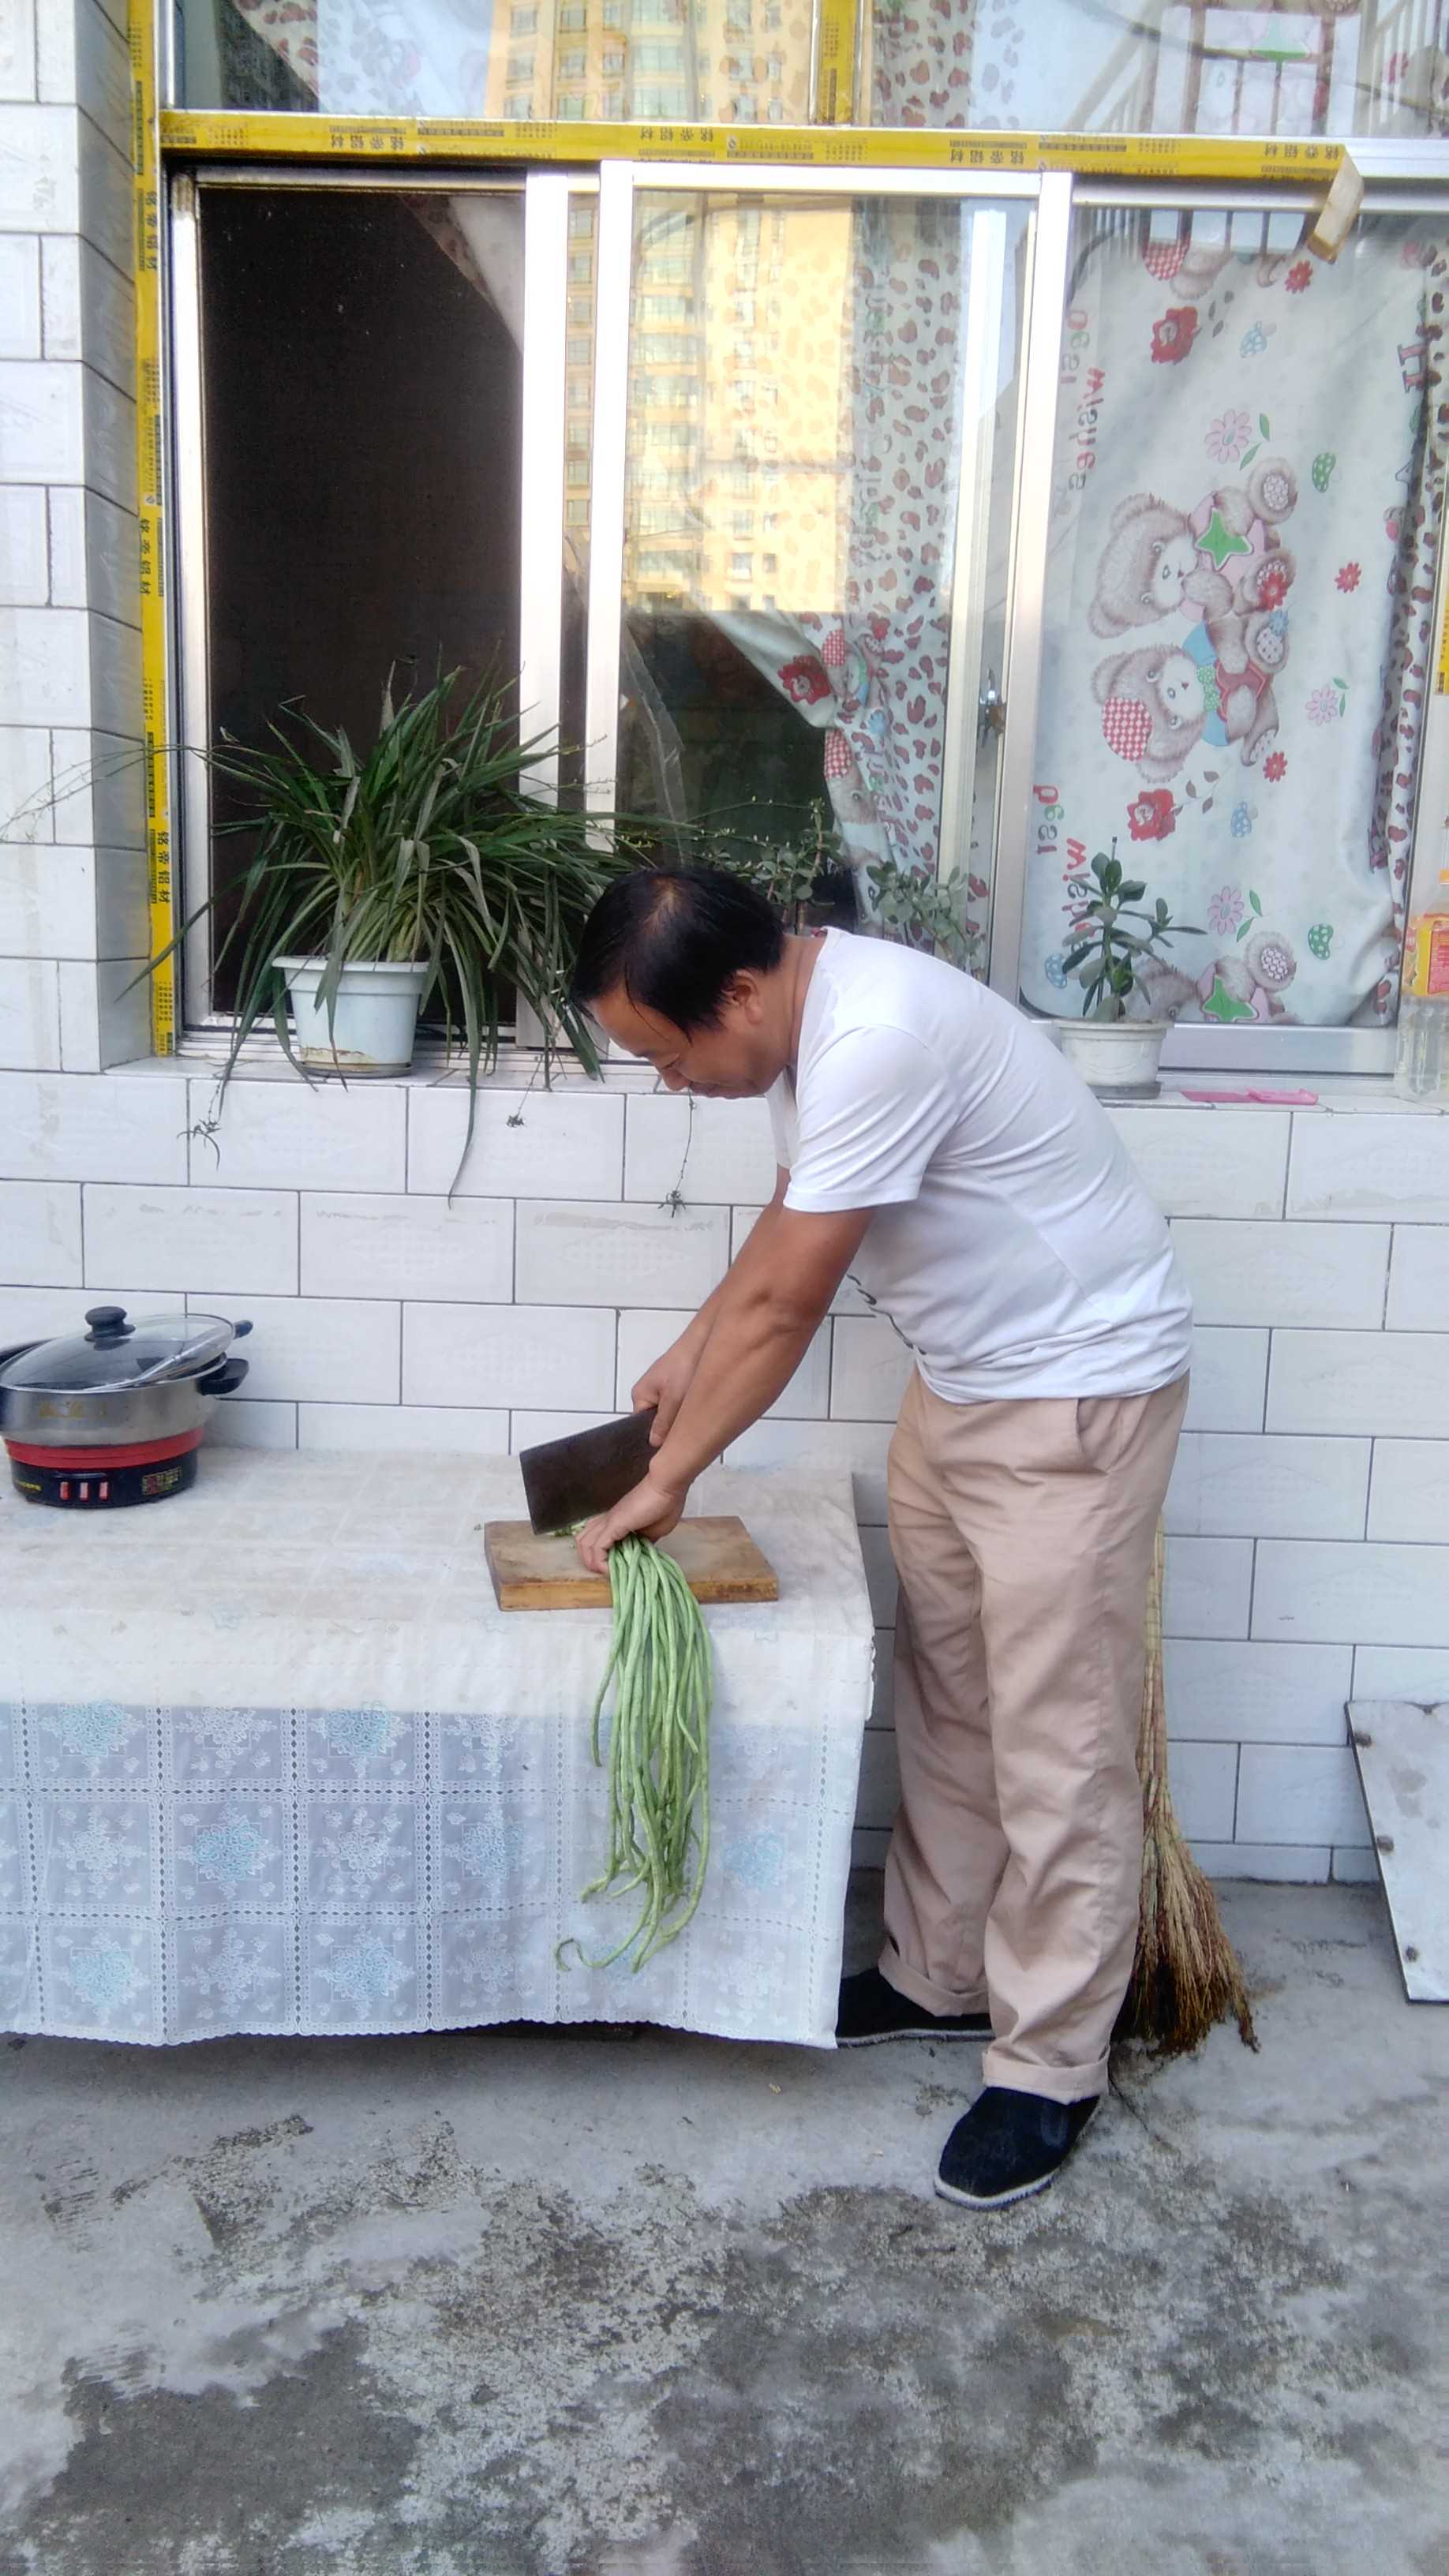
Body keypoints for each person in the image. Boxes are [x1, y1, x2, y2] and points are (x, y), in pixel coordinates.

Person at [569, 867, 1192, 2209]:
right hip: (966, 1384)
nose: (670, 1086)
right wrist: (689, 1351)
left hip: (1075, 1398)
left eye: (667, 1058)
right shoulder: (807, 1026)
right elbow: (788, 1224)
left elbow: (793, 1305)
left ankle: (1051, 2065)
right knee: (953, 1696)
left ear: (740, 993)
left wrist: (671, 1477)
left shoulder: (878, 1034)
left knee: (1060, 1741)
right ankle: (938, 1975)